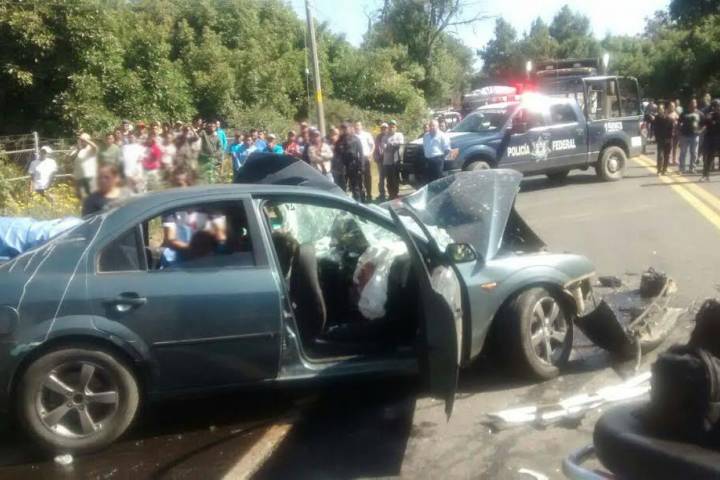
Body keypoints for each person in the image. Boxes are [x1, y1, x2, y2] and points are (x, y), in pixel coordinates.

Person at [335, 123, 364, 200]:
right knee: (342, 186)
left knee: (355, 186)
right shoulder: (339, 140)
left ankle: (358, 203)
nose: (344, 130)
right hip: (343, 166)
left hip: (353, 165)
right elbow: (336, 154)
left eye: (346, 128)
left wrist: (361, 166)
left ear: (350, 128)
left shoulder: (355, 139)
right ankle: (344, 203)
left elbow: (361, 153)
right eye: (343, 128)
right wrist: (337, 166)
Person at [678, 98, 704, 173]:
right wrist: (679, 131)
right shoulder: (684, 113)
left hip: (695, 136)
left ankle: (692, 168)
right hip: (684, 135)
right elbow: (679, 122)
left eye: (694, 103)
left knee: (694, 153)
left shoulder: (700, 113)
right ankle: (682, 169)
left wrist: (700, 131)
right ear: (689, 104)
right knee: (683, 153)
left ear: (696, 104)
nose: (693, 104)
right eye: (691, 103)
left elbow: (704, 124)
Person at [71, 133, 98, 199]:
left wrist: (85, 140)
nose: (81, 141)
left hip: (89, 177)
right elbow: (70, 159)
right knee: (82, 198)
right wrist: (78, 149)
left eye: (82, 140)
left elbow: (95, 147)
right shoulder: (78, 150)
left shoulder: (91, 149)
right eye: (81, 140)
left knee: (92, 197)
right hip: (79, 177)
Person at [383, 120, 404, 200]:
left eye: (393, 127)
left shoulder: (399, 135)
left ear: (396, 127)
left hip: (396, 161)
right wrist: (393, 145)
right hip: (387, 161)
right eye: (390, 127)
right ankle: (390, 195)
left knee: (395, 178)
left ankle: (396, 194)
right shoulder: (385, 137)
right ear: (388, 127)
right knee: (389, 179)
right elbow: (384, 147)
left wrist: (390, 145)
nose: (391, 128)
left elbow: (400, 144)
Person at [354, 121, 375, 202]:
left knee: (367, 177)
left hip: (366, 158)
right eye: (356, 126)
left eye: (358, 125)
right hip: (357, 159)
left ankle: (369, 195)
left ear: (361, 126)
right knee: (359, 178)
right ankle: (362, 196)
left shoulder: (366, 134)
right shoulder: (353, 136)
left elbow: (373, 145)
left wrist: (370, 154)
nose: (357, 127)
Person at [700, 100, 720, 182]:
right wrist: (701, 129)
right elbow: (704, 124)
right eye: (717, 106)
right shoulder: (709, 115)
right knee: (708, 157)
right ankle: (705, 175)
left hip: (718, 138)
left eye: (718, 106)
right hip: (710, 138)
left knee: (710, 157)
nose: (718, 108)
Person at [653, 104, 674, 176]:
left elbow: (672, 130)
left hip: (668, 140)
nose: (659, 111)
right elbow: (655, 129)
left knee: (666, 155)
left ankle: (664, 170)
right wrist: (656, 137)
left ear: (664, 110)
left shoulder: (669, 119)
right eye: (658, 109)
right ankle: (659, 170)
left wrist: (669, 138)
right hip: (660, 139)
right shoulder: (656, 118)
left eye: (661, 109)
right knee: (660, 155)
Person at [373, 123, 389, 201]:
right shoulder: (378, 137)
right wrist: (375, 157)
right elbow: (375, 148)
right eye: (382, 128)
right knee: (381, 177)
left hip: (389, 160)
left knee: (389, 177)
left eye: (385, 128)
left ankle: (390, 194)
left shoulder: (389, 136)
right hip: (380, 160)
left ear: (387, 128)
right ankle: (382, 194)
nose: (383, 129)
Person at [667, 102, 680, 166]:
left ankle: (674, 160)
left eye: (673, 106)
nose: (671, 107)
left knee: (675, 147)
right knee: (670, 147)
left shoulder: (676, 114)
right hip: (669, 133)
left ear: (674, 107)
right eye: (670, 106)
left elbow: (679, 122)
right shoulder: (666, 114)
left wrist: (676, 120)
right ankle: (668, 160)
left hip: (676, 132)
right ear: (668, 107)